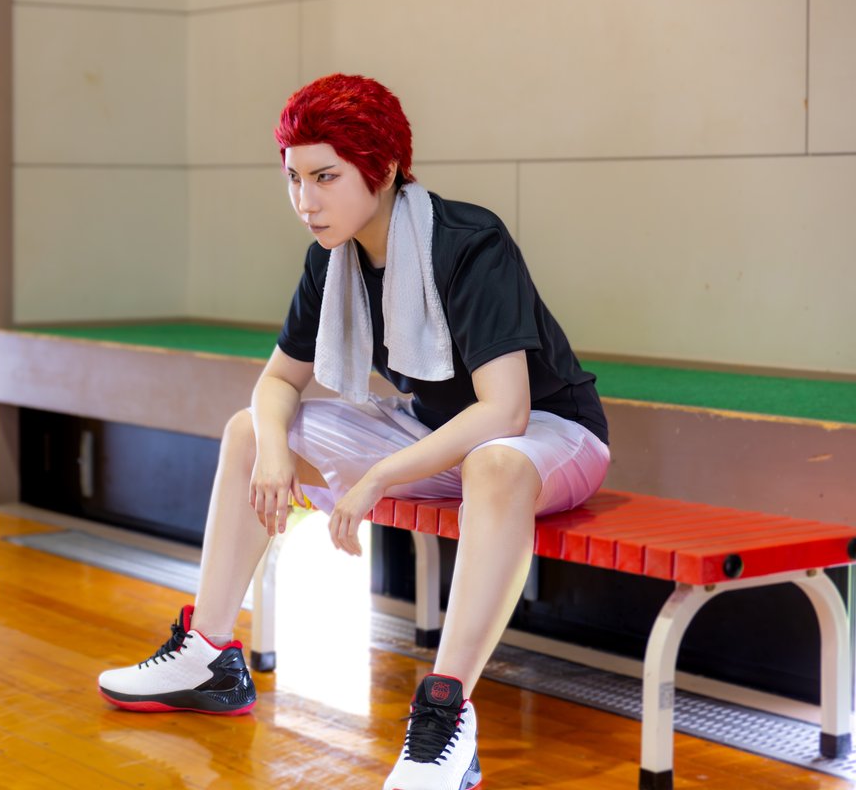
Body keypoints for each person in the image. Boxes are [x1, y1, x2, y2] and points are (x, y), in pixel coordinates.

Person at [98, 73, 610, 790]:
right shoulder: (332, 258)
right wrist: (273, 453)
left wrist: (379, 476)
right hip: (435, 430)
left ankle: (445, 718)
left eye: (325, 177)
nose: (305, 201)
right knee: (250, 431)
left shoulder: (469, 242)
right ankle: (208, 657)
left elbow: (506, 412)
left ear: (386, 168)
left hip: (552, 439)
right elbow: (277, 382)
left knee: (494, 463)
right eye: (294, 178)